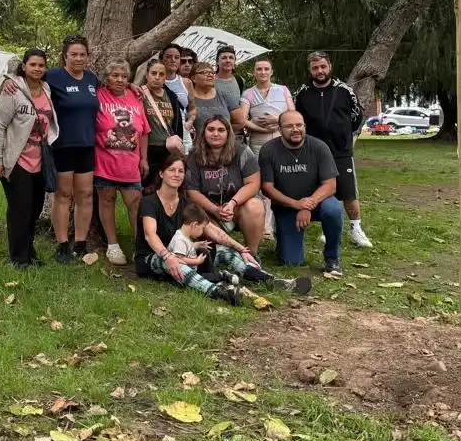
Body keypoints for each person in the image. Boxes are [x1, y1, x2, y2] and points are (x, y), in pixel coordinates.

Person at [136, 157, 311, 302]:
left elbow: (211, 229)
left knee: (222, 251)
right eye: (171, 170)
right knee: (171, 262)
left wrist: (241, 249)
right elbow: (149, 234)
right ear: (161, 173)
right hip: (155, 257)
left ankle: (271, 280)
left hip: (184, 253)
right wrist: (167, 256)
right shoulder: (149, 201)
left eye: (181, 171)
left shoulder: (185, 202)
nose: (176, 174)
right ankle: (218, 291)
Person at [6, 35, 99, 262]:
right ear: (64, 56)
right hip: (61, 146)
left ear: (88, 57)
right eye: (73, 54)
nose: (78, 58)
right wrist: (6, 80)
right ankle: (62, 245)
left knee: (85, 195)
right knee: (64, 195)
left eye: (82, 54)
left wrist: (136, 89)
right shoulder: (54, 76)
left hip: (87, 146)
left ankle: (80, 243)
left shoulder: (92, 79)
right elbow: (28, 76)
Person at [293, 51, 372, 249]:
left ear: (329, 67)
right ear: (310, 70)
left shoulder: (345, 91)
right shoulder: (302, 93)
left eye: (323, 67)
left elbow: (357, 117)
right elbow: (296, 119)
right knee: (320, 191)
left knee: (349, 193)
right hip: (312, 152)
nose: (319, 71)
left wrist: (343, 136)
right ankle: (328, 228)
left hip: (341, 152)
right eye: (315, 68)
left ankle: (356, 229)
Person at [0, 49, 58, 268]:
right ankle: (18, 259)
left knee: (35, 209)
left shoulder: (46, 89)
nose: (37, 69)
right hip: (16, 160)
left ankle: (29, 253)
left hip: (40, 160)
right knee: (21, 210)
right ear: (24, 66)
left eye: (41, 65)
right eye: (33, 65)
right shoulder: (12, 91)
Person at [259, 110, 346, 276]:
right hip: (286, 206)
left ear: (304, 126)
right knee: (291, 262)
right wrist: (295, 204)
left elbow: (330, 185)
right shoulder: (268, 150)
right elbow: (267, 188)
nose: (295, 129)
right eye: (289, 126)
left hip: (318, 203)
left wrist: (307, 205)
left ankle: (332, 258)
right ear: (279, 129)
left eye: (299, 125)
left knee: (333, 210)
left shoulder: (319, 147)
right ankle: (283, 235)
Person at [94, 59, 150, 266]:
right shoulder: (98, 95)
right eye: (115, 75)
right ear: (106, 78)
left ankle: (140, 245)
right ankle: (113, 245)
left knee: (134, 204)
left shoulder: (136, 98)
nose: (119, 80)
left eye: (124, 76)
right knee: (106, 202)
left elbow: (144, 131)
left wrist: (144, 158)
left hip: (130, 164)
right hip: (104, 162)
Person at [185, 115, 264, 253]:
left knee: (255, 206)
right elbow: (192, 191)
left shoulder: (243, 151)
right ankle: (223, 254)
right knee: (207, 238)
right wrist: (215, 209)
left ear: (228, 133)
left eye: (221, 130)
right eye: (211, 129)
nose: (215, 133)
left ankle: (252, 254)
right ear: (204, 132)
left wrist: (232, 203)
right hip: (208, 210)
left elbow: (253, 183)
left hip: (237, 206)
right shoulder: (193, 155)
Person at [240, 59, 295, 237]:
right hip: (258, 140)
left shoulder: (283, 90)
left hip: (281, 139)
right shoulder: (248, 93)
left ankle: (283, 220)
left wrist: (278, 121)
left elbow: (292, 115)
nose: (262, 72)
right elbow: (242, 119)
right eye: (259, 69)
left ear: (271, 71)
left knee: (282, 178)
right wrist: (261, 128)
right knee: (261, 181)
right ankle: (264, 227)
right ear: (254, 73)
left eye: (266, 69)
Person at [141, 58, 190, 184]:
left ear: (165, 78)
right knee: (148, 188)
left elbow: (177, 125)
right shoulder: (139, 94)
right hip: (148, 150)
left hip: (169, 149)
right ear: (147, 75)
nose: (157, 77)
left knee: (168, 186)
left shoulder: (171, 96)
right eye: (153, 73)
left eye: (161, 74)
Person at [188, 62, 243, 130]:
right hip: (197, 140)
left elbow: (240, 122)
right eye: (204, 72)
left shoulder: (224, 96)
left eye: (212, 73)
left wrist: (224, 132)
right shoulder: (186, 98)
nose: (210, 75)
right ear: (193, 78)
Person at [215, 44, 245, 109]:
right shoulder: (209, 80)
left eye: (231, 58)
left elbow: (241, 103)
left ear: (234, 62)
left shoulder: (239, 80)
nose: (228, 60)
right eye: (224, 58)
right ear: (217, 62)